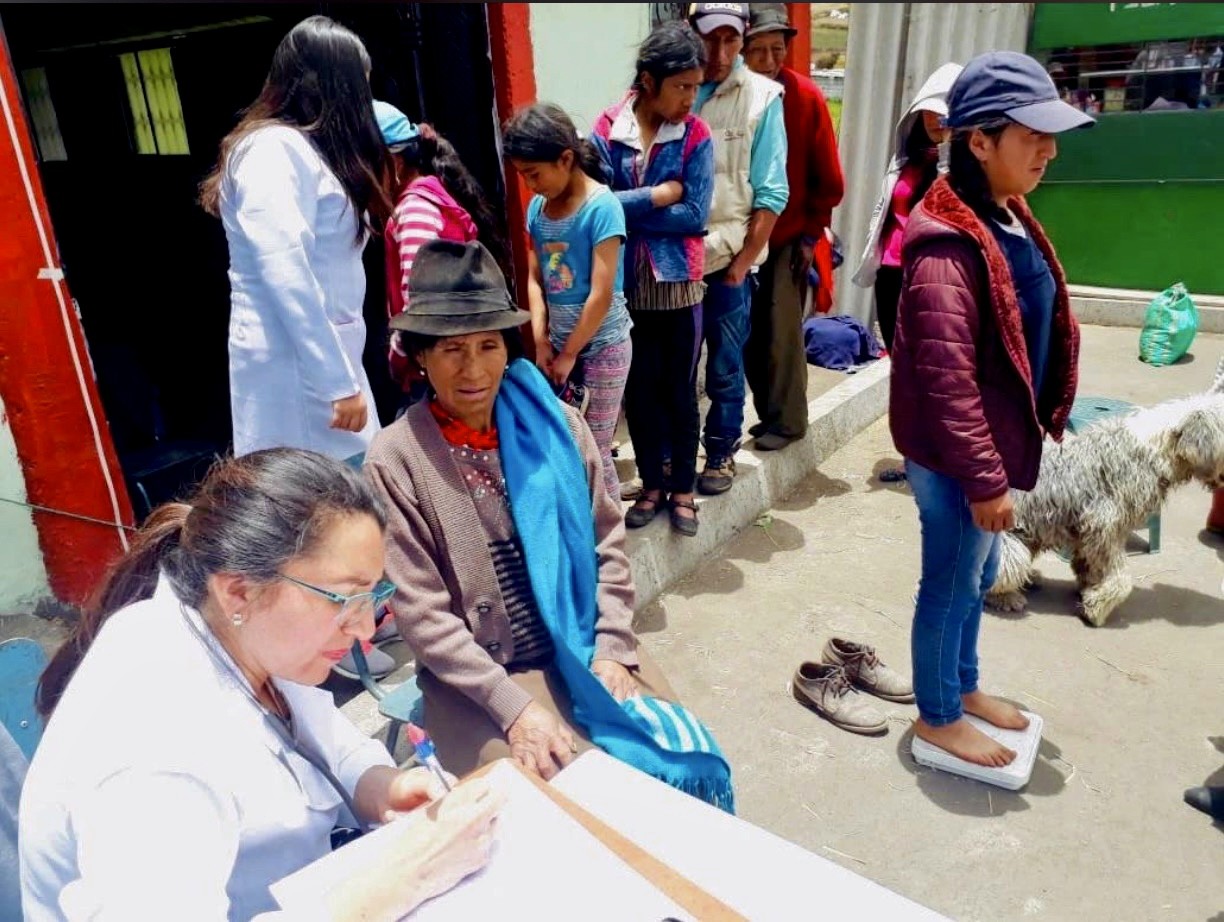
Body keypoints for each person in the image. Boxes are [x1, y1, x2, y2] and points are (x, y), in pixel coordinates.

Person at [19, 450, 502, 920]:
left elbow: (323, 741)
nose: (365, 629)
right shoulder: (156, 751)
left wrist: (381, 786)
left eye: (372, 596)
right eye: (343, 599)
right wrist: (407, 877)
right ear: (239, 590)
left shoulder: (236, 631)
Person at [365, 239, 733, 810]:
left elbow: (608, 542)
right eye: (451, 350)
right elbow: (422, 616)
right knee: (574, 801)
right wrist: (515, 709)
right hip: (479, 678)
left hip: (581, 643)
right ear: (419, 357)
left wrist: (612, 646)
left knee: (676, 761)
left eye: (489, 345)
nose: (474, 368)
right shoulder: (396, 458)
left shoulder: (560, 425)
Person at [889, 51, 1089, 766]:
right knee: (947, 580)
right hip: (955, 458)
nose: (1049, 148)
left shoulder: (1003, 214)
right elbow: (946, 380)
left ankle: (963, 687)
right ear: (978, 141)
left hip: (987, 447)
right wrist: (983, 479)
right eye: (1031, 134)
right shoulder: (945, 248)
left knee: (973, 574)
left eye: (1050, 133)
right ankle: (937, 716)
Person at [200, 16, 391, 465]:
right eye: (361, 85)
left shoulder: (302, 150)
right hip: (298, 373)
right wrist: (336, 384)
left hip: (324, 363)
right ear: (336, 86)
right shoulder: (272, 151)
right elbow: (284, 269)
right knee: (323, 500)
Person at [591, 21, 714, 536]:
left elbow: (696, 215)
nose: (691, 97)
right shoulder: (606, 130)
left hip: (678, 284)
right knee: (638, 392)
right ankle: (653, 485)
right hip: (624, 286)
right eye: (682, 86)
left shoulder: (696, 135)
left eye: (695, 86)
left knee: (680, 393)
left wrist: (628, 208)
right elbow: (594, 204)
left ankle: (683, 488)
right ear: (648, 80)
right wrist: (660, 194)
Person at [502, 103, 634, 501]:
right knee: (565, 442)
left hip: (603, 347)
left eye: (534, 174)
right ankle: (583, 532)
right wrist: (542, 342)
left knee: (593, 448)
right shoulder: (538, 210)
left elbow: (601, 292)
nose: (529, 185)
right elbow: (535, 280)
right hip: (559, 349)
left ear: (566, 159)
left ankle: (611, 540)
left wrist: (571, 353)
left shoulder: (602, 207)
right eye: (523, 175)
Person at [687, 2, 789, 494]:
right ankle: (678, 456)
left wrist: (744, 261)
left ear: (743, 38)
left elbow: (772, 192)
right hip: (673, 264)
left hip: (728, 261)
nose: (720, 51)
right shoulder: (675, 86)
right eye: (711, 38)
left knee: (726, 364)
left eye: (731, 40)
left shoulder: (763, 97)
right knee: (675, 369)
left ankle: (722, 452)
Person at [741, 3, 844, 452]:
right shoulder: (734, 96)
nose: (767, 61)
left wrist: (809, 236)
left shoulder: (804, 98)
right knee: (746, 333)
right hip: (739, 239)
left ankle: (789, 422)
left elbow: (829, 179)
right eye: (757, 50)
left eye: (776, 50)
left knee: (780, 330)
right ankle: (768, 416)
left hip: (786, 238)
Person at [376, 100, 509, 406]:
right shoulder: (432, 196)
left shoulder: (414, 211)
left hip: (433, 369)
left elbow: (417, 304)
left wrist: (398, 359)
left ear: (394, 162)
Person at [852, 62, 963, 353]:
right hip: (891, 269)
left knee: (927, 356)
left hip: (929, 273)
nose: (934, 118)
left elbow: (946, 204)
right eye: (928, 110)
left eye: (943, 112)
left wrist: (948, 149)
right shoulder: (906, 159)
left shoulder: (963, 165)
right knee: (896, 357)